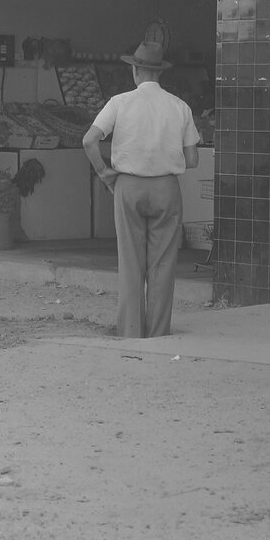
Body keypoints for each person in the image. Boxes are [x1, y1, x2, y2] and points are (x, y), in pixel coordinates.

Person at [82, 40, 201, 338]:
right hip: (166, 189)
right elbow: (193, 159)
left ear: (135, 71)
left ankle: (131, 331)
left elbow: (89, 140)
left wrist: (104, 173)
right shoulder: (179, 107)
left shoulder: (119, 102)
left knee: (131, 262)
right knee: (162, 264)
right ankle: (159, 332)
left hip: (128, 187)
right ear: (160, 73)